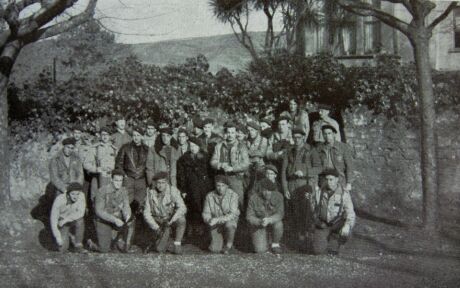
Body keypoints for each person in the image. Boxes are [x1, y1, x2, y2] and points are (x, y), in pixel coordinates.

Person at [281, 128, 321, 244]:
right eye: (295, 137)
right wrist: (285, 188)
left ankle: (308, 237)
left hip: (305, 184)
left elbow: (319, 168)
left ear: (303, 138)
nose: (297, 140)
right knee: (294, 211)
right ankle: (297, 238)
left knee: (307, 211)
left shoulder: (311, 151)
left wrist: (305, 172)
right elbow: (283, 171)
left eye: (299, 137)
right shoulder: (289, 151)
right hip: (292, 184)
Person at [310, 168, 355, 255]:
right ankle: (325, 238)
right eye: (326, 179)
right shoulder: (319, 192)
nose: (329, 182)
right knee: (317, 251)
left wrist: (347, 226)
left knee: (347, 232)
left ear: (337, 179)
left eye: (331, 179)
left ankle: (338, 244)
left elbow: (350, 212)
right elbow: (312, 210)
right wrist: (316, 222)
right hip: (323, 224)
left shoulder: (344, 194)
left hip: (337, 224)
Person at [176, 136, 213, 237]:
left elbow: (210, 173)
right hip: (190, 187)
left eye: (195, 146)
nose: (193, 148)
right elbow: (181, 176)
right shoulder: (184, 159)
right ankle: (192, 228)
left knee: (204, 206)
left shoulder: (205, 157)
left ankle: (203, 229)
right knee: (192, 207)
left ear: (199, 147)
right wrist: (183, 189)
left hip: (204, 187)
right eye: (191, 146)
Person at [143, 171, 187, 254]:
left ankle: (177, 243)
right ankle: (167, 240)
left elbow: (182, 207)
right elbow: (146, 213)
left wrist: (172, 219)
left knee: (181, 220)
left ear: (166, 182)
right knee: (160, 249)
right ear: (155, 183)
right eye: (158, 183)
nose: (160, 185)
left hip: (169, 219)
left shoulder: (172, 190)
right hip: (158, 221)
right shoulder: (150, 192)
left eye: (163, 182)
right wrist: (156, 227)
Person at [210, 121, 250, 208]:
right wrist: (220, 165)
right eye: (228, 132)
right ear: (225, 133)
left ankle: (240, 219)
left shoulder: (241, 146)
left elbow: (246, 164)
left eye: (232, 132)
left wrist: (233, 168)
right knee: (221, 202)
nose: (230, 135)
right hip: (221, 177)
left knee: (239, 201)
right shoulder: (219, 146)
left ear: (236, 133)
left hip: (236, 177)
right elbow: (213, 161)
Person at [94, 169, 133, 253]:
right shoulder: (102, 191)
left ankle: (121, 240)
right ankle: (91, 243)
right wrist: (114, 220)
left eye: (120, 180)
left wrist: (127, 215)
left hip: (117, 218)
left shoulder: (123, 191)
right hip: (104, 220)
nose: (118, 183)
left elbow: (126, 206)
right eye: (116, 180)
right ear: (111, 180)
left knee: (131, 220)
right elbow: (99, 211)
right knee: (104, 249)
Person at [202, 176, 240, 254]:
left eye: (223, 186)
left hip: (228, 220)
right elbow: (206, 213)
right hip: (216, 223)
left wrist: (218, 219)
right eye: (218, 185)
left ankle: (229, 245)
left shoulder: (233, 195)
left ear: (227, 186)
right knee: (214, 249)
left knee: (230, 225)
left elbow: (233, 214)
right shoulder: (209, 196)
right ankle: (219, 240)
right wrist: (209, 220)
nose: (220, 188)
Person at [246, 178, 284, 254]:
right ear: (260, 189)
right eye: (264, 190)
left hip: (272, 222)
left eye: (269, 190)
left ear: (273, 190)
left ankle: (275, 244)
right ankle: (265, 241)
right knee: (260, 250)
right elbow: (249, 216)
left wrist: (269, 220)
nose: (267, 193)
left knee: (279, 224)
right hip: (259, 224)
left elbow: (280, 213)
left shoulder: (279, 196)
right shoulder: (253, 198)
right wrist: (259, 221)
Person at [115, 125, 149, 207]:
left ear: (141, 136)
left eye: (138, 135)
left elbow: (149, 165)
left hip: (141, 180)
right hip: (128, 179)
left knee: (140, 204)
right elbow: (118, 163)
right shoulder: (125, 147)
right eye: (134, 135)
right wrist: (124, 176)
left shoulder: (147, 149)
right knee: (126, 203)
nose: (136, 138)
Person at [50, 182, 86, 252]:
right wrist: (58, 237)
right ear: (68, 194)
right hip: (62, 222)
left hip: (71, 219)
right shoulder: (59, 200)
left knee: (80, 220)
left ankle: (78, 245)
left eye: (77, 194)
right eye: (73, 194)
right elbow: (53, 220)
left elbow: (81, 213)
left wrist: (66, 219)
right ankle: (69, 236)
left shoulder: (81, 196)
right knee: (62, 248)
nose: (75, 196)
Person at [317, 125, 353, 191]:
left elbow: (349, 166)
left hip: (339, 180)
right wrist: (316, 184)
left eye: (329, 133)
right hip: (324, 180)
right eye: (324, 134)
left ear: (334, 134)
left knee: (340, 199)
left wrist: (349, 183)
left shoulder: (343, 147)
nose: (327, 136)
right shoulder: (319, 148)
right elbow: (316, 166)